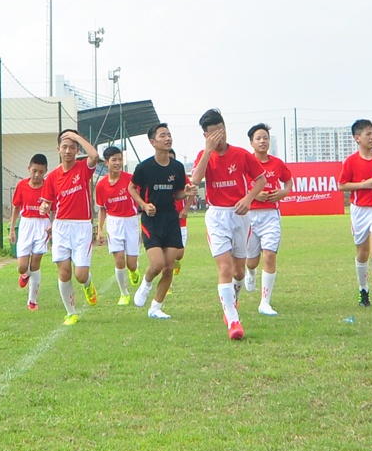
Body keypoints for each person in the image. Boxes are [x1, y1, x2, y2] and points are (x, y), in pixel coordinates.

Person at [188, 109, 266, 340]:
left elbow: (260, 180)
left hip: (240, 216)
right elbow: (195, 180)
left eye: (221, 130)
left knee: (238, 272)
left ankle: (233, 301)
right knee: (224, 268)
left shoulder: (242, 155)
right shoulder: (205, 155)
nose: (219, 136)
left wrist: (248, 198)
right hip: (217, 217)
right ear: (206, 135)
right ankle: (233, 320)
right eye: (213, 133)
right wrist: (208, 151)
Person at [130, 124, 188, 319]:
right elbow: (132, 188)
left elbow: (178, 193)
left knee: (169, 266)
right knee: (157, 264)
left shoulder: (177, 167)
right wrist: (144, 205)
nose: (167, 138)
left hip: (170, 219)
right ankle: (145, 285)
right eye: (163, 135)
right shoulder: (144, 167)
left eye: (169, 135)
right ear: (153, 142)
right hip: (152, 220)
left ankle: (156, 307)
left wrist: (185, 193)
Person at [45, 129, 102, 326]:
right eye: (64, 146)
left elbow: (95, 155)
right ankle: (71, 312)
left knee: (80, 274)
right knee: (64, 272)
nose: (68, 151)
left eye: (72, 147)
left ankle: (87, 284)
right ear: (58, 149)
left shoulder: (82, 168)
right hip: (61, 227)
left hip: (82, 227)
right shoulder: (52, 177)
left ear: (77, 149)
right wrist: (47, 213)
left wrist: (76, 136)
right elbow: (49, 203)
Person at [241, 122, 292, 316]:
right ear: (251, 143)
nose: (263, 141)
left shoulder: (277, 163)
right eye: (258, 138)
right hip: (249, 216)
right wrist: (253, 194)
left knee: (269, 256)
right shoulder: (245, 162)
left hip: (271, 215)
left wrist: (283, 192)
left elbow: (288, 180)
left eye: (265, 138)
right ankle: (250, 272)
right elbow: (239, 186)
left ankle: (265, 302)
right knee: (252, 261)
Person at [340, 119, 372, 309]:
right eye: (368, 134)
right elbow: (341, 185)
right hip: (359, 210)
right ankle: (363, 290)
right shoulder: (351, 161)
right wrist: (363, 184)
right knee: (363, 253)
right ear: (357, 138)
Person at [94, 145, 144, 305]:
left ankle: (134, 269)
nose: (117, 163)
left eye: (120, 159)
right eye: (114, 160)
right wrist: (100, 230)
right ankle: (124, 293)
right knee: (119, 259)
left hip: (131, 221)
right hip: (114, 223)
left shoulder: (131, 179)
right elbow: (102, 209)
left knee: (130, 263)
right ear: (106, 163)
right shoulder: (101, 186)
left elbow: (141, 199)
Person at [9, 155, 52, 311]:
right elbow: (16, 207)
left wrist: (52, 224)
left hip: (42, 225)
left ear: (45, 171)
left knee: (36, 263)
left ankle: (32, 300)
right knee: (22, 267)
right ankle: (24, 274)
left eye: (41, 172)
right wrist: (13, 228)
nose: (37, 175)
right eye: (34, 171)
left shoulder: (48, 187)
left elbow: (55, 208)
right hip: (26, 224)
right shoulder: (22, 186)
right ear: (29, 169)